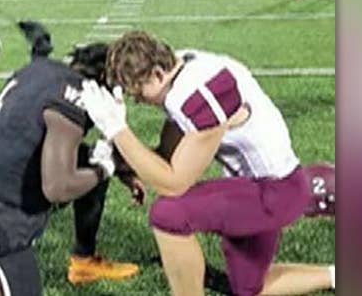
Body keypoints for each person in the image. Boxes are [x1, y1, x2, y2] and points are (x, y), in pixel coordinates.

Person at [78, 31, 335, 296]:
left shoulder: (201, 92)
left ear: (156, 74)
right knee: (249, 289)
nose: (138, 100)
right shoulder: (179, 71)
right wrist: (120, 163)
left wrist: (117, 129)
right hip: (259, 187)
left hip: (274, 191)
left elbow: (173, 183)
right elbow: (166, 157)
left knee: (168, 214)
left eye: (138, 92)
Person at [0, 40, 142, 295]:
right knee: (94, 166)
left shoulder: (43, 69)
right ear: (102, 80)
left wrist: (119, 170)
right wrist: (106, 167)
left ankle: (84, 261)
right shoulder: (70, 102)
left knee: (90, 161)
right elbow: (58, 188)